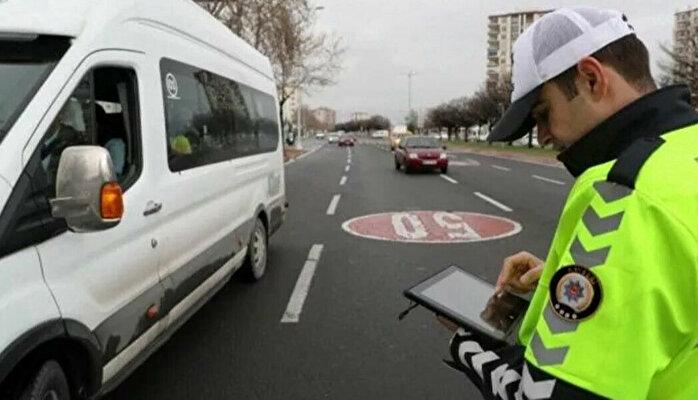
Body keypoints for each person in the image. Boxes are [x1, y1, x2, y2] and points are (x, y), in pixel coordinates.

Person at [442, 7, 698, 399]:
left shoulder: (625, 193)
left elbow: (542, 395)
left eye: (543, 114)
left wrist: (468, 343)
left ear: (592, 78)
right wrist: (571, 282)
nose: (543, 136)